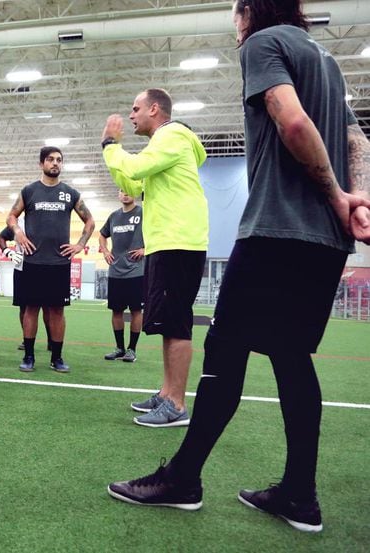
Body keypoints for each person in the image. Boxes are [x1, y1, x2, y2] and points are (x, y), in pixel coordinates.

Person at [106, 0, 370, 533]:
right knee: (292, 357)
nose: (234, 24)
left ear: (249, 11)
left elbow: (290, 119)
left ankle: (183, 478)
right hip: (326, 239)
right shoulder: (325, 58)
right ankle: (300, 494)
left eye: (234, 13)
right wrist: (354, 196)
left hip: (276, 230)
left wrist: (332, 190)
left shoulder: (262, 44)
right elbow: (355, 139)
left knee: (225, 347)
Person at [100, 88, 208, 427]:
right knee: (166, 324)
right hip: (167, 244)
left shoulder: (173, 135)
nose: (131, 115)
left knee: (176, 323)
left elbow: (134, 166)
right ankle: (166, 393)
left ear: (155, 109)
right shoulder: (162, 145)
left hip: (179, 243)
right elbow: (132, 185)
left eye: (136, 108)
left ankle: (176, 404)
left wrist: (110, 145)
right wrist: (114, 157)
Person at [7, 146, 95, 373]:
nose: (55, 163)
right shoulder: (29, 191)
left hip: (59, 263)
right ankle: (28, 357)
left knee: (57, 312)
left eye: (59, 160)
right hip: (32, 261)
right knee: (31, 310)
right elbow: (11, 216)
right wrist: (18, 233)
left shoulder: (71, 194)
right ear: (41, 164)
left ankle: (57, 357)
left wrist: (80, 245)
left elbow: (90, 221)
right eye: (50, 160)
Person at [98, 190, 145, 363]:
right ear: (118, 195)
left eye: (129, 191)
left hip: (136, 271)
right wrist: (104, 250)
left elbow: (159, 232)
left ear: (136, 194)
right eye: (122, 191)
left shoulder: (143, 213)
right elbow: (102, 235)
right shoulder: (113, 216)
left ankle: (132, 349)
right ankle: (119, 348)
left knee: (135, 310)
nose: (125, 194)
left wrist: (145, 249)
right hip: (116, 271)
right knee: (116, 311)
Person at [0, 225, 51, 352]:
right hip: (22, 268)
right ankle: (27, 339)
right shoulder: (18, 223)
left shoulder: (45, 216)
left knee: (47, 307)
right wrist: (8, 252)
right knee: (23, 307)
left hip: (45, 267)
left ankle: (51, 340)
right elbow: (0, 238)